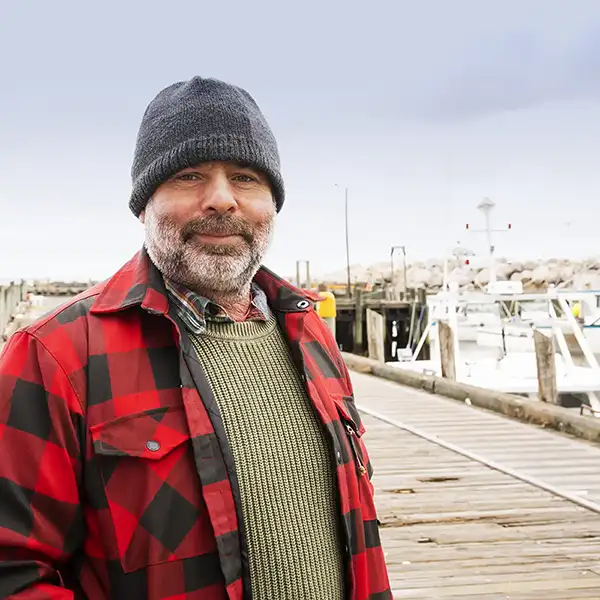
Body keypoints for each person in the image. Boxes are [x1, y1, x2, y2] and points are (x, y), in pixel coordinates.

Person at [0, 76, 391, 599]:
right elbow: (14, 570)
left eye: (246, 177)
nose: (223, 199)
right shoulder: (54, 356)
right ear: (144, 205)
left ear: (272, 203)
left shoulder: (310, 330)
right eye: (189, 176)